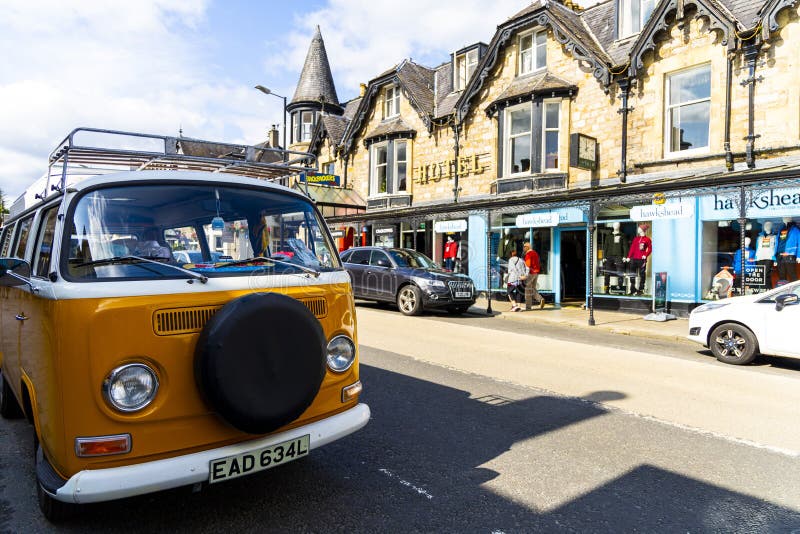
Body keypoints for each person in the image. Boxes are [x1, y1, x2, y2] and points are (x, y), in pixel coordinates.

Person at [523, 242, 545, 310]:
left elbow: (528, 265)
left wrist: (525, 275)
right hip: (536, 273)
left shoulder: (528, 254)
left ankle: (528, 306)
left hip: (530, 273)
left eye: (524, 246)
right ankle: (540, 299)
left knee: (528, 290)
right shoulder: (535, 253)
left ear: (527, 247)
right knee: (533, 289)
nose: (523, 248)